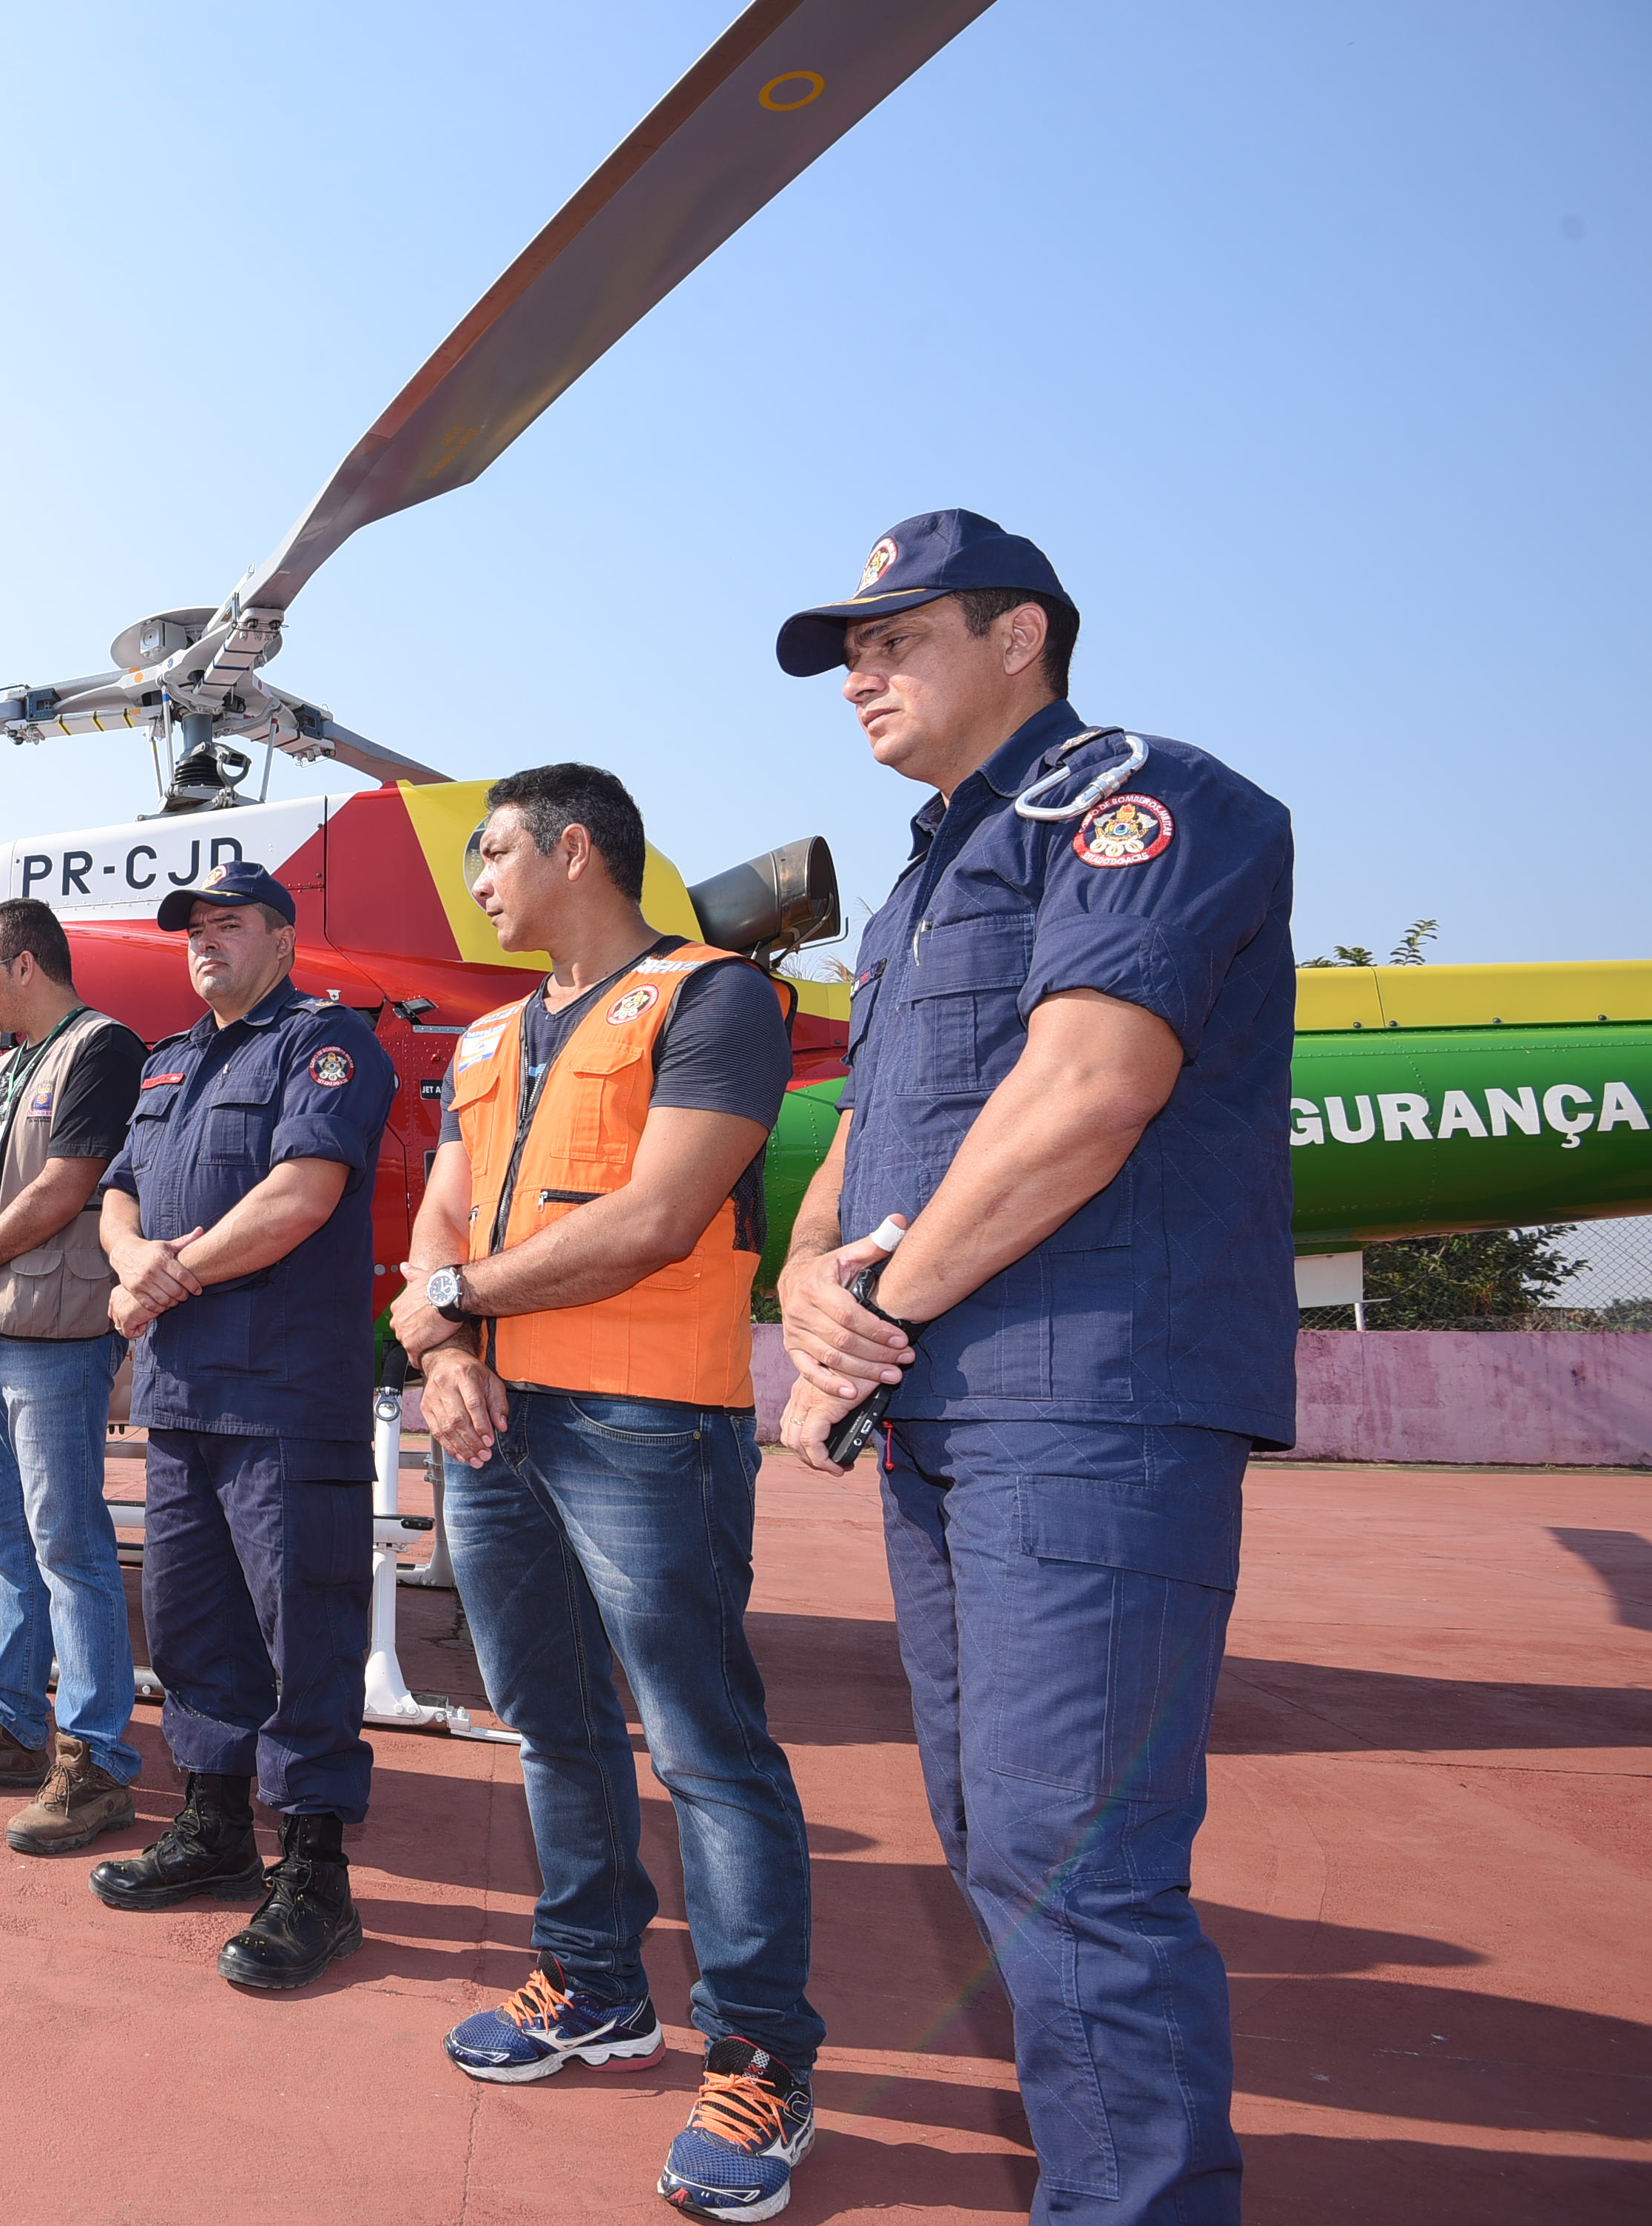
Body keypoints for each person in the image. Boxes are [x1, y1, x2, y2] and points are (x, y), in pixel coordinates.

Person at [772, 511, 1294, 2226]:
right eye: (843, 648)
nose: (857, 671)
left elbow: (1085, 1089)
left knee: (1075, 1859)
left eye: (892, 636)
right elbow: (869, 1127)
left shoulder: (1139, 803)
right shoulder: (923, 875)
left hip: (1088, 1401)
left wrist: (871, 1313)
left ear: (1019, 636)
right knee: (997, 1833)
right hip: (943, 1413)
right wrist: (802, 1273)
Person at [387, 766, 824, 2223]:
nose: (481, 879)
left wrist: (446, 1300)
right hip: (490, 1419)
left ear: (576, 851)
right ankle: (592, 1984)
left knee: (707, 1743)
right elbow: (441, 1215)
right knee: (550, 1724)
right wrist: (447, 1350)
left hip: (647, 1420)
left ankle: (760, 2054)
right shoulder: (487, 1033)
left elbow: (656, 1216)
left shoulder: (713, 1002)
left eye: (496, 850)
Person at [85, 861, 397, 1990]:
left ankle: (315, 1875)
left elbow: (300, 1195)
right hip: (181, 1403)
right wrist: (130, 1260)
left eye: (230, 924)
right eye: (193, 930)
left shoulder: (326, 1046)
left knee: (302, 1635)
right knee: (191, 1629)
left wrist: (161, 1281)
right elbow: (117, 1189)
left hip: (281, 1405)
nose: (206, 942)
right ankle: (215, 1827)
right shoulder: (169, 1061)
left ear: (283, 941)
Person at [0, 896, 146, 1855]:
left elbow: (63, 1190)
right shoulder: (0, 1073)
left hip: (54, 1340)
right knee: (1, 1535)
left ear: (26, 965)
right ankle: (10, 1722)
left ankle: (94, 1761)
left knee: (69, 1547)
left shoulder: (102, 1050)